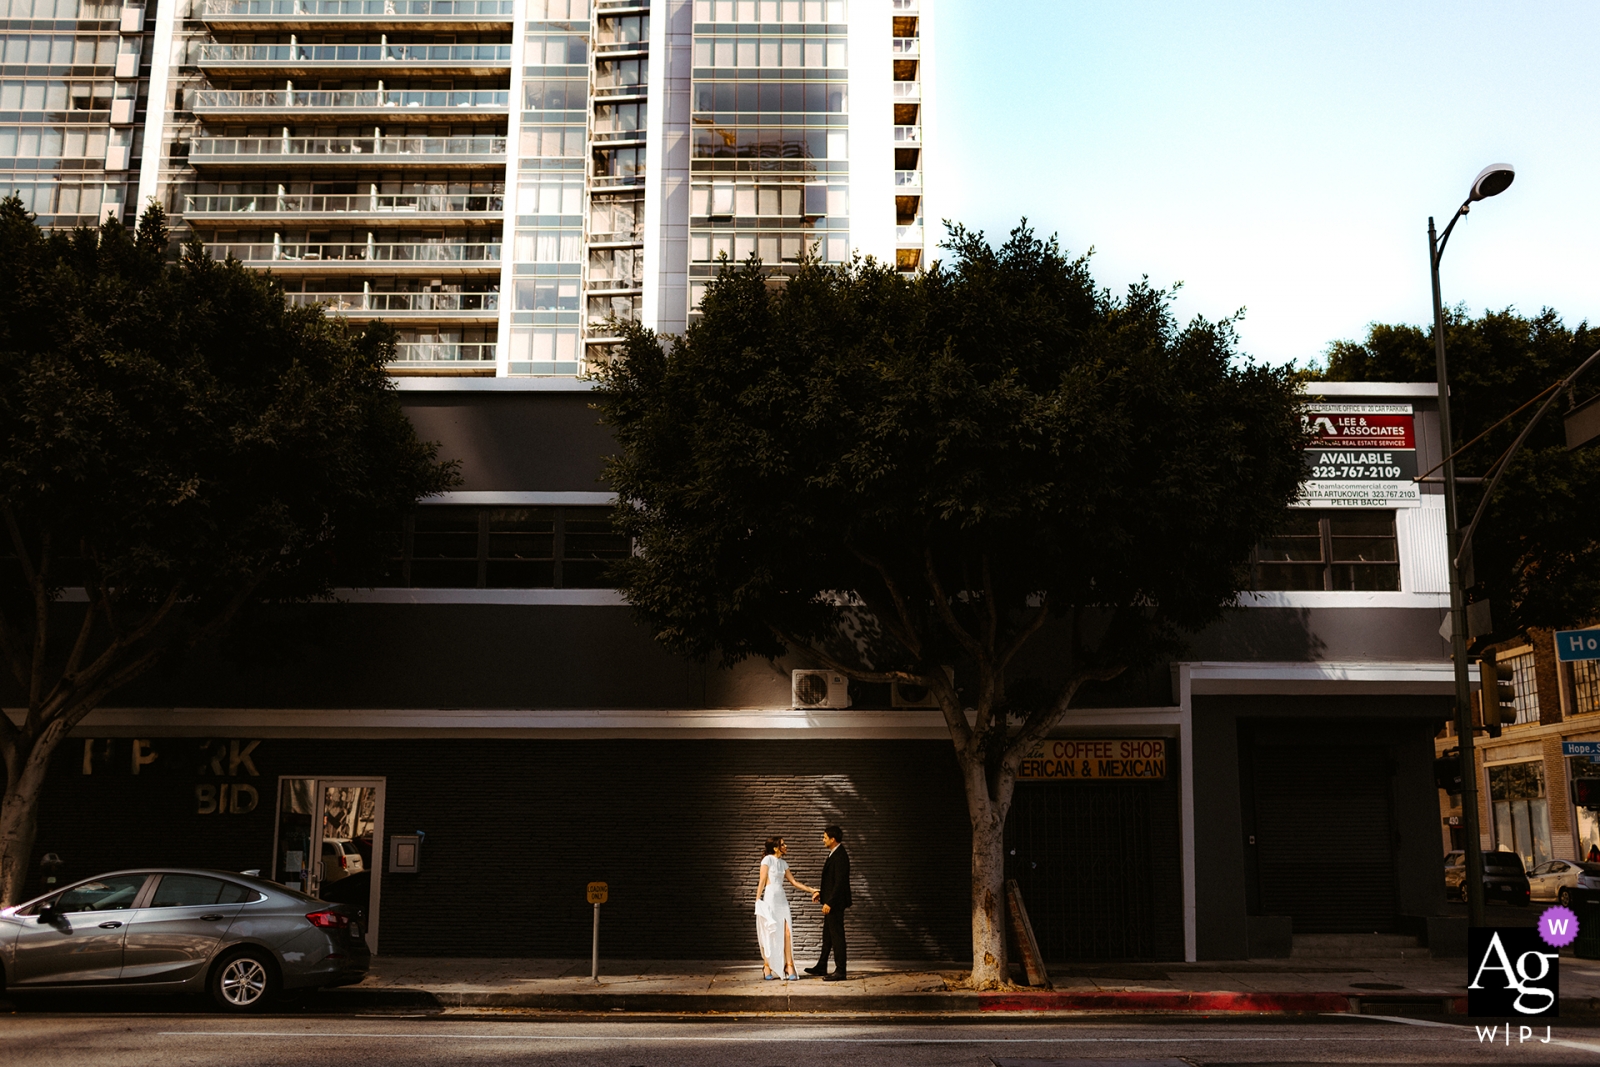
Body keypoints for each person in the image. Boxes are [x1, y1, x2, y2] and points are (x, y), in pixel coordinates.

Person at [755, 836, 814, 981]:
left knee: (787, 932)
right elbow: (762, 880)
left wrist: (812, 890)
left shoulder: (783, 863)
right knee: (770, 931)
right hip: (770, 899)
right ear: (776, 848)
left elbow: (793, 882)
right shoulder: (767, 860)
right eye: (783, 844)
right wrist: (757, 900)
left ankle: (789, 965)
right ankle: (767, 965)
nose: (786, 846)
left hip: (782, 900)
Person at [805, 824, 852, 981]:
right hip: (832, 901)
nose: (823, 840)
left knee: (837, 936)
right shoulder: (834, 853)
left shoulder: (840, 856)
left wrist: (830, 902)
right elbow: (831, 882)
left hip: (836, 904)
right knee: (828, 936)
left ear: (833, 839)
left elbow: (840, 883)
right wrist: (821, 893)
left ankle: (841, 971)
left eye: (825, 837)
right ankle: (822, 965)